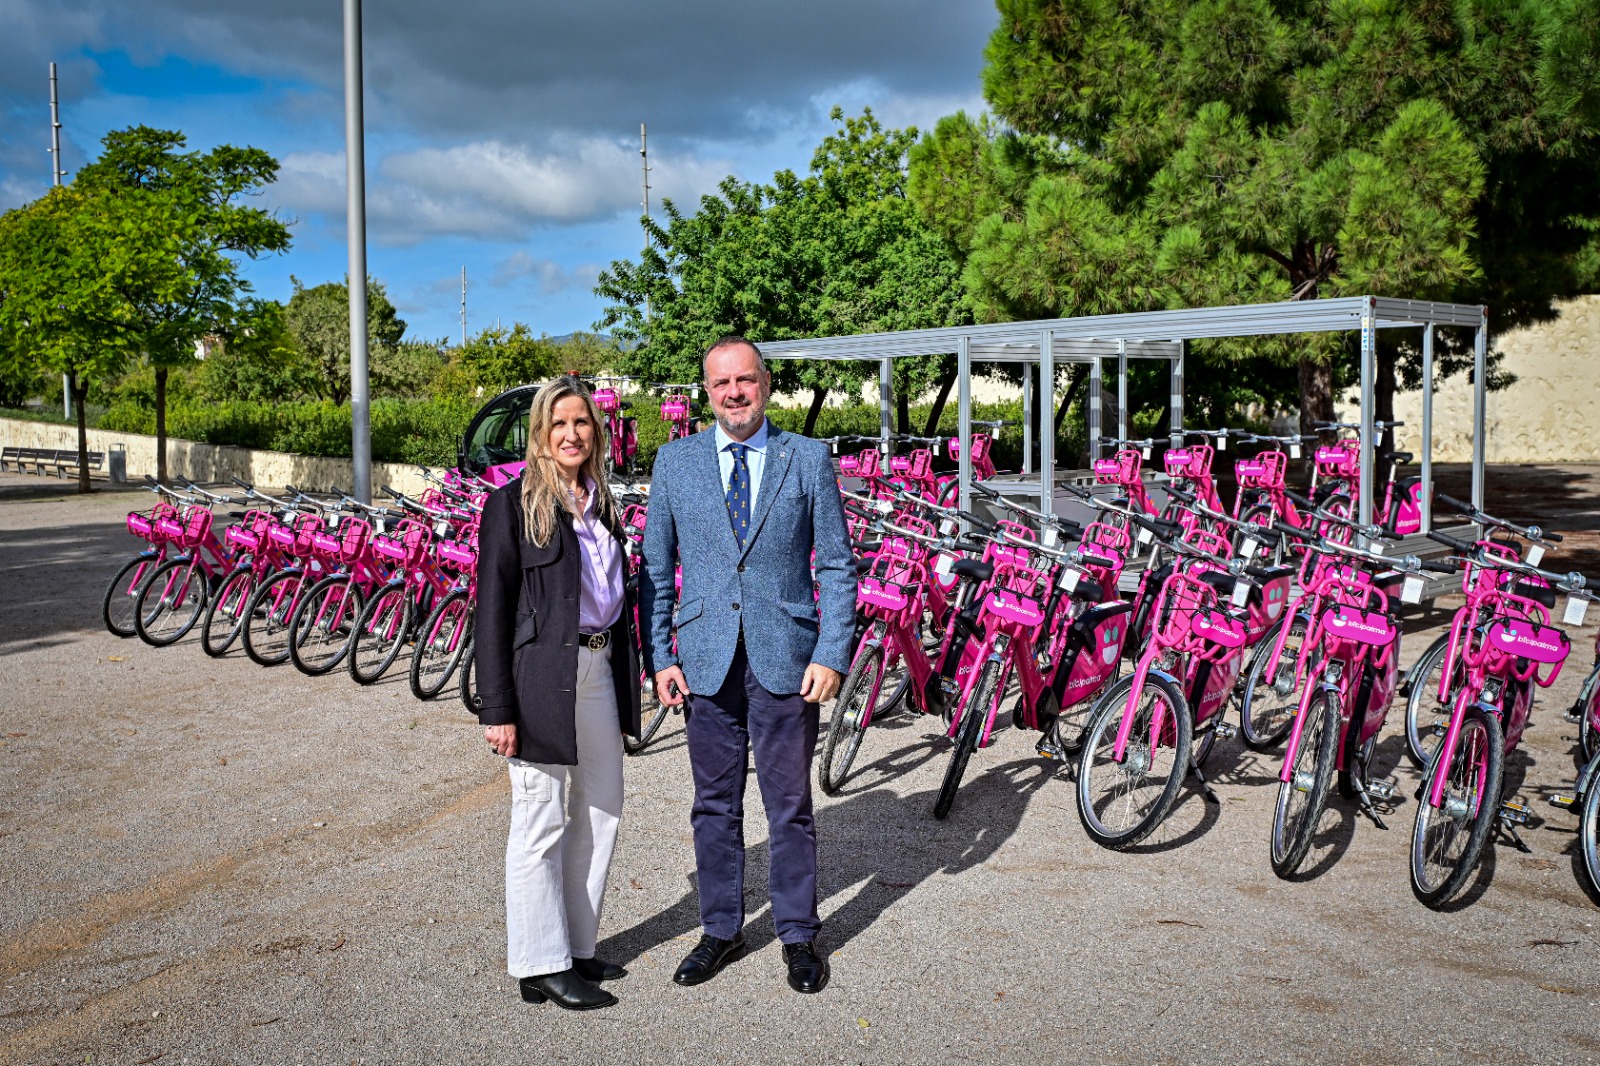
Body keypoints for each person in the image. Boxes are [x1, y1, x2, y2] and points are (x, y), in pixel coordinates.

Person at [639, 336, 856, 994]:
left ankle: (797, 933)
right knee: (713, 805)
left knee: (788, 806)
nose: (734, 392)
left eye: (745, 379)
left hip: (786, 657)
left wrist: (831, 651)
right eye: (720, 383)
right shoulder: (674, 462)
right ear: (705, 392)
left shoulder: (808, 458)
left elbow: (838, 567)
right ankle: (721, 927)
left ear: (766, 382)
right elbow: (655, 571)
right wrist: (660, 655)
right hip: (704, 661)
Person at [474, 375, 642, 1011]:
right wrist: (497, 708)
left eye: (582, 423)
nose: (572, 434)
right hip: (541, 680)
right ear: (541, 435)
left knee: (601, 809)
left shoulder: (604, 503)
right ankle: (540, 962)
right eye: (559, 424)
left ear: (594, 431)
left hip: (600, 671)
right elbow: (491, 610)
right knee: (539, 819)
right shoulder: (512, 505)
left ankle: (574, 945)